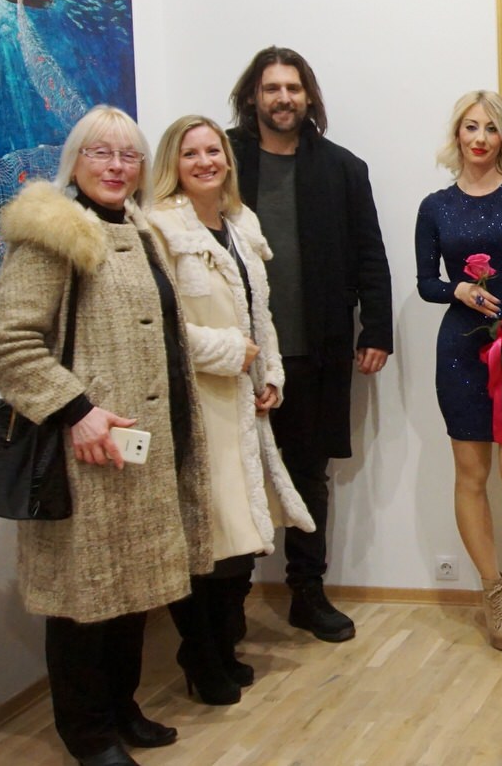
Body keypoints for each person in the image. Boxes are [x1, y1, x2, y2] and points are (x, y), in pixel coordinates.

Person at [0, 106, 211, 766]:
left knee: (131, 590)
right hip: (86, 451)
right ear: (75, 159)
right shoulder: (55, 231)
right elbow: (6, 340)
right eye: (100, 153)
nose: (116, 167)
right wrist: (76, 410)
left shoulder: (139, 229)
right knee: (85, 599)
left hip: (144, 448)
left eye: (129, 155)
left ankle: (121, 706)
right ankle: (86, 732)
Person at [227, 47, 394, 642]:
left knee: (307, 475)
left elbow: (370, 253)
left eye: (293, 88)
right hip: (235, 356)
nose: (283, 99)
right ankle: (227, 606)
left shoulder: (343, 168)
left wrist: (377, 329)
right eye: (271, 88)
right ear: (253, 96)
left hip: (314, 349)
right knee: (232, 476)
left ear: (308, 97)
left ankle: (307, 592)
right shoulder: (220, 159)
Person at [148, 116, 316, 703]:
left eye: (213, 150)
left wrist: (270, 373)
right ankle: (201, 655)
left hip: (245, 402)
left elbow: (259, 312)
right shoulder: (159, 229)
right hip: (198, 404)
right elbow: (158, 325)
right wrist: (226, 351)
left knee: (243, 536)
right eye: (190, 153)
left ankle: (224, 647)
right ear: (173, 164)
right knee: (208, 538)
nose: (205, 162)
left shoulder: (242, 224)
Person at [415, 90, 502, 651]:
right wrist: (459, 290)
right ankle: (494, 593)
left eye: (491, 128)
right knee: (470, 477)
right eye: (470, 127)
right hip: (461, 353)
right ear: (457, 134)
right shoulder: (435, 206)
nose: (480, 138)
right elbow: (427, 283)